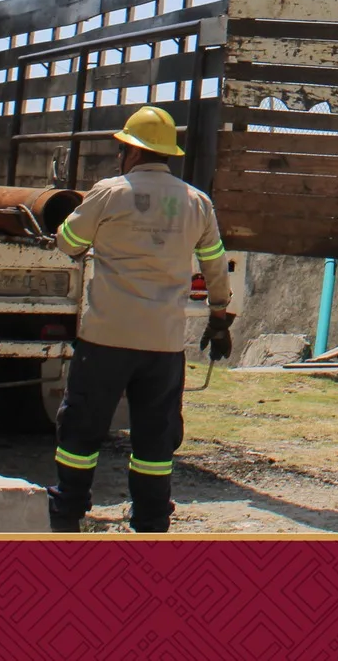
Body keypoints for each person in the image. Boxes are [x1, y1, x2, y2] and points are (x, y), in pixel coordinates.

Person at [47, 106, 234, 534]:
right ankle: (150, 525)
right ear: (165, 153)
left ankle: (67, 515)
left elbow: (68, 242)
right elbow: (214, 264)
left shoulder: (109, 192)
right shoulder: (197, 202)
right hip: (163, 344)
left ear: (131, 151)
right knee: (155, 440)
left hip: (106, 337)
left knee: (81, 432)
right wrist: (219, 315)